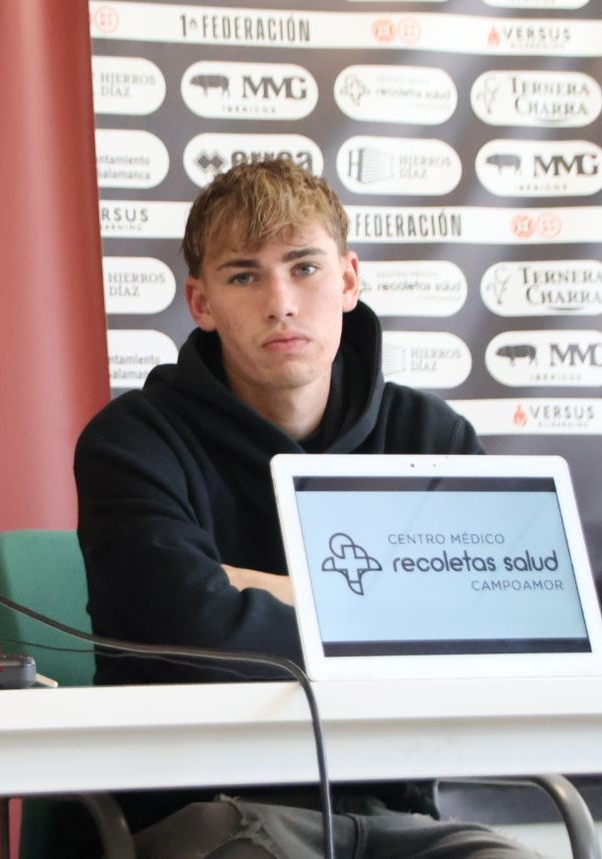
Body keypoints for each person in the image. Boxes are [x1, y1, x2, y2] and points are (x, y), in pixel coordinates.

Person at [75, 160, 535, 859]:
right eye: (243, 275)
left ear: (349, 279)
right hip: (212, 812)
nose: (281, 301)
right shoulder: (132, 442)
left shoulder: (431, 438)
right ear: (201, 302)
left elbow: (497, 633)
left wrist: (256, 586)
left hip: (398, 815)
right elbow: (195, 634)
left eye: (304, 267)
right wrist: (395, 604)